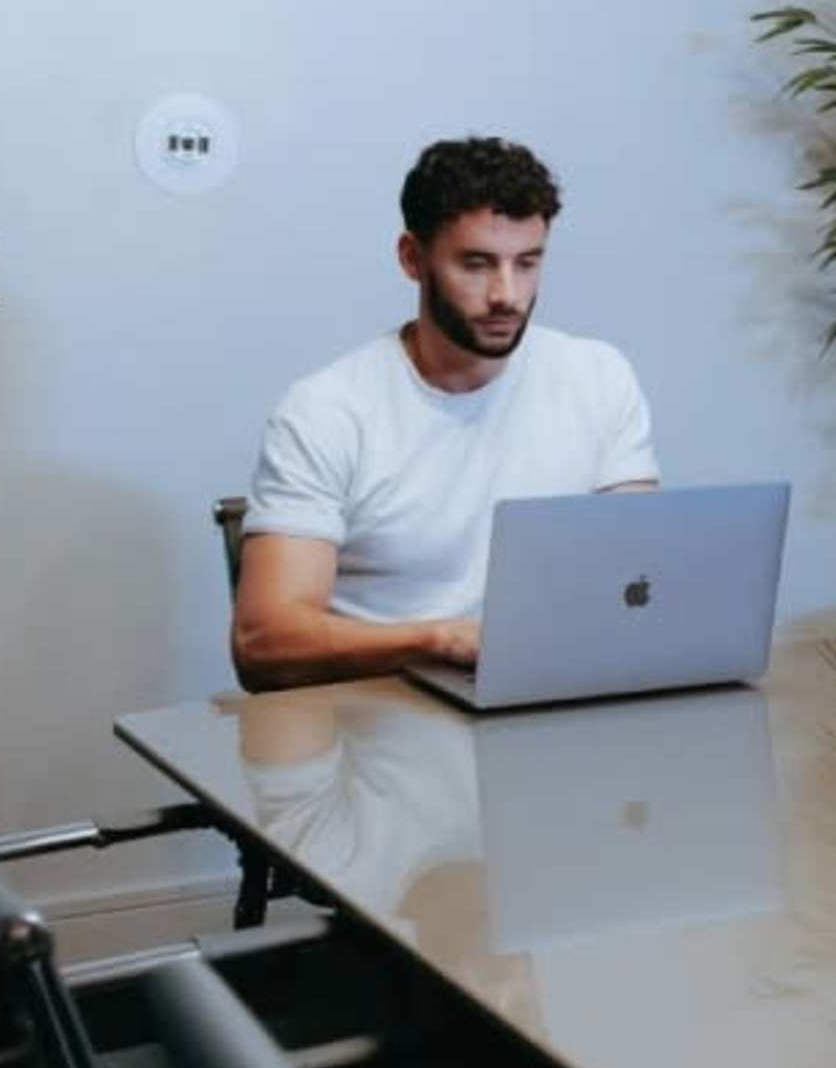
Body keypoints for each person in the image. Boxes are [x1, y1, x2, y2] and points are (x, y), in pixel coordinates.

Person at [231, 136, 656, 689]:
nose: (507, 294)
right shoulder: (327, 411)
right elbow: (264, 640)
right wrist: (438, 639)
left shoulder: (598, 375)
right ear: (413, 258)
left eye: (527, 263)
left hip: (546, 696)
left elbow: (639, 577)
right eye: (476, 265)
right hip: (373, 712)